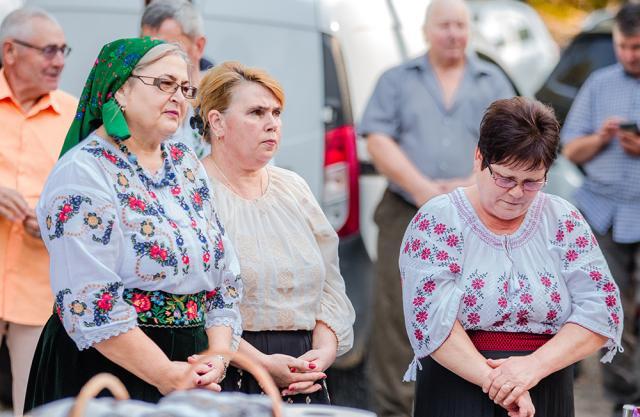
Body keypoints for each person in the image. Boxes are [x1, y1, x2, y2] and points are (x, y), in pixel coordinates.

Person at [23, 38, 242, 412]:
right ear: (120, 90)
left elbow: (224, 276)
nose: (179, 96)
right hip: (107, 370)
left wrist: (217, 357)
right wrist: (164, 374)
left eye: (185, 88)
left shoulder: (186, 163)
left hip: (192, 370)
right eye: (164, 84)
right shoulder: (83, 172)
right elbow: (91, 301)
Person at [399, 97, 623, 417]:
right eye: (505, 178)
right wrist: (501, 384)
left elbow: (603, 308)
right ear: (479, 159)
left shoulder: (562, 219)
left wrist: (532, 367)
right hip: (458, 389)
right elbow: (431, 319)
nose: (517, 193)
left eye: (532, 181)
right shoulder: (439, 220)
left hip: (545, 387)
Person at [359, 0, 514, 414]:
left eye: (461, 25)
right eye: (444, 25)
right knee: (397, 313)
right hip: (406, 210)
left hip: (476, 214)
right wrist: (424, 189)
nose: (453, 34)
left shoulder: (491, 79)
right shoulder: (396, 79)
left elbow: (512, 145)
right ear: (426, 30)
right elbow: (376, 138)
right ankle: (395, 408)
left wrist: (465, 187)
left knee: (469, 311)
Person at [191, 61, 355, 404]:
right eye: (256, 112)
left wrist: (321, 353)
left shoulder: (293, 188)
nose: (272, 124)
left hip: (302, 372)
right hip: (230, 371)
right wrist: (262, 364)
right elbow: (194, 302)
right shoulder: (192, 189)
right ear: (217, 122)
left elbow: (330, 283)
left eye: (276, 113)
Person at [561, 4, 640, 412]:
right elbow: (570, 148)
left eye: (638, 46)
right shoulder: (598, 83)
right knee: (613, 309)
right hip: (603, 212)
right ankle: (622, 402)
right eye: (624, 46)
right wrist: (601, 138)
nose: (631, 55)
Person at [0, 7, 77, 416]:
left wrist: (52, 221)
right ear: (9, 51)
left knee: (36, 408)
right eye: (48, 51)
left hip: (41, 291)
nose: (60, 61)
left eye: (63, 49)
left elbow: (93, 199)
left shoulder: (75, 116)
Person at [141, 0, 212, 158]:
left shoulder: (225, 102)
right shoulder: (139, 103)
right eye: (146, 48)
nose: (153, 58)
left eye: (167, 48)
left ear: (199, 46)